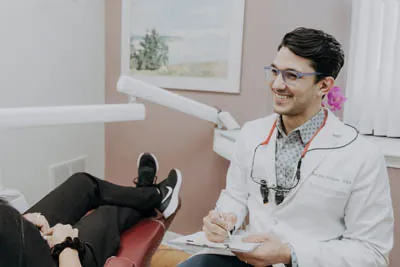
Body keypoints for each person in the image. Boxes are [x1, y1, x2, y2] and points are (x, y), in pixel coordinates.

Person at [180, 27, 394, 267]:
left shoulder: (362, 155)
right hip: (248, 260)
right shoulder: (251, 134)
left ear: (323, 86)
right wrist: (224, 219)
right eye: (274, 71)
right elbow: (235, 196)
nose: (277, 85)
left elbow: (372, 253)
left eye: (292, 76)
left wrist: (288, 253)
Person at [0, 152, 182, 267]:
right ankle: (152, 195)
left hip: (18, 240)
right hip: (54, 260)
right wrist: (66, 247)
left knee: (82, 184)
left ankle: (149, 194)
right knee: (107, 212)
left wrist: (22, 222)